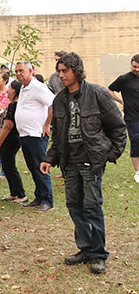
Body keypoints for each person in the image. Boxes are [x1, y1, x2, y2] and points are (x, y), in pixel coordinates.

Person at [41, 52, 126, 274]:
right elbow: (58, 134)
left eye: (64, 71)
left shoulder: (97, 94)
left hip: (91, 161)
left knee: (92, 206)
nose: (60, 75)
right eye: (59, 71)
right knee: (74, 206)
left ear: (76, 71)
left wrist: (110, 154)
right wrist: (50, 159)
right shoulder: (59, 99)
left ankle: (98, 254)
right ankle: (86, 248)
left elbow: (117, 127)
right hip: (70, 162)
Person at [14, 61, 55, 212]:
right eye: (17, 71)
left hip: (37, 134)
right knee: (32, 167)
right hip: (25, 134)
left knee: (40, 166)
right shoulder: (24, 88)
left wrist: (47, 124)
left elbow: (53, 103)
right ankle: (39, 196)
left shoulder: (38, 87)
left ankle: (48, 200)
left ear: (31, 71)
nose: (19, 73)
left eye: (21, 70)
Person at [0, 81, 27, 203]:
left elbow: (7, 126)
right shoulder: (13, 104)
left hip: (11, 139)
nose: (7, 91)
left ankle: (21, 194)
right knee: (6, 166)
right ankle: (14, 192)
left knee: (10, 166)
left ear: (15, 91)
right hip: (12, 138)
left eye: (10, 88)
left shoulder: (14, 106)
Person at [108, 54, 139, 183]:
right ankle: (138, 172)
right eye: (134, 67)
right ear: (131, 65)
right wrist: (121, 102)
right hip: (132, 118)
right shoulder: (124, 79)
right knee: (136, 143)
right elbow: (109, 90)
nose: (137, 69)